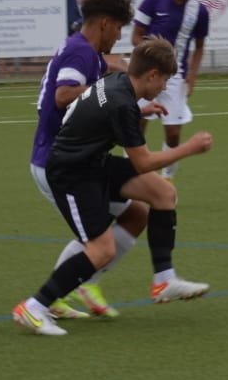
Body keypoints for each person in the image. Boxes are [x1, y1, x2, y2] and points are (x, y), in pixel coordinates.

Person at [13, 36, 215, 336]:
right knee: (102, 250)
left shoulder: (119, 83)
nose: (164, 87)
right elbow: (143, 162)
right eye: (164, 80)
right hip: (71, 174)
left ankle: (164, 280)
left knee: (163, 193)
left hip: (93, 162)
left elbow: (97, 107)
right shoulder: (122, 103)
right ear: (152, 75)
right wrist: (189, 148)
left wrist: (140, 111)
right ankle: (34, 307)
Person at [30, 0, 144, 321]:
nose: (119, 36)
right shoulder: (80, 51)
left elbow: (98, 72)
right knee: (99, 242)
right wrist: (112, 93)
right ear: (105, 23)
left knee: (136, 213)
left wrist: (121, 71)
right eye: (119, 28)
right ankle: (43, 303)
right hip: (58, 164)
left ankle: (82, 284)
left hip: (81, 159)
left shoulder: (86, 51)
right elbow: (63, 95)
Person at [132, 0, 211, 180]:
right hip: (146, 74)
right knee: (137, 125)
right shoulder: (153, 1)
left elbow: (199, 46)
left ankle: (167, 179)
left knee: (174, 133)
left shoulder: (198, 11)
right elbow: (136, 37)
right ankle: (134, 175)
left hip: (175, 77)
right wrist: (151, 56)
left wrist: (192, 76)